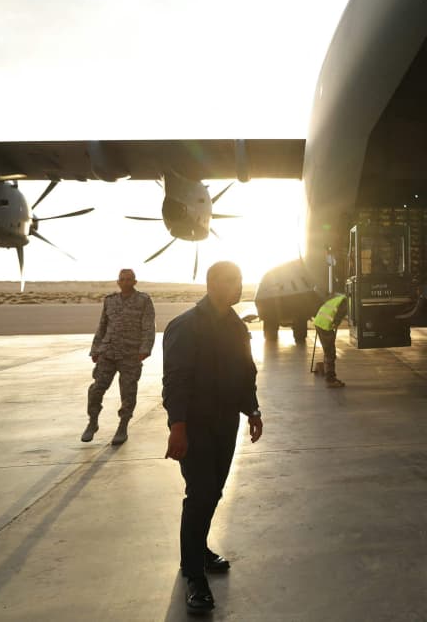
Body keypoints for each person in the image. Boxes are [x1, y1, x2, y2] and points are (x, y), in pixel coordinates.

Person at [162, 261, 263, 614]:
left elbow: (245, 371)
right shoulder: (185, 327)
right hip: (195, 424)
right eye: (232, 281)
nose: (239, 286)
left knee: (214, 491)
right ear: (213, 284)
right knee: (200, 493)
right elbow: (175, 381)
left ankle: (199, 549)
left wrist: (253, 410)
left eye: (239, 279)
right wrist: (178, 426)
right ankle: (194, 576)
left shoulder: (236, 326)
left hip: (225, 424)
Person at [82, 268, 155, 446]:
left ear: (134, 282)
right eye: (122, 279)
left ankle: (123, 426)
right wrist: (96, 349)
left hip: (131, 354)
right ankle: (93, 421)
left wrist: (145, 348)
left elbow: (148, 325)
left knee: (128, 392)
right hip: (108, 352)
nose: (125, 282)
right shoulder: (110, 301)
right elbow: (102, 326)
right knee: (96, 389)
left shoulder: (143, 300)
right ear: (118, 282)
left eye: (129, 279)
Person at [313, 291, 349, 388]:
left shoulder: (339, 297)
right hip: (325, 325)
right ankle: (330, 379)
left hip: (319, 322)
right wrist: (335, 324)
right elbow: (338, 316)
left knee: (327, 349)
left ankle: (322, 368)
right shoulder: (346, 302)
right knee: (330, 352)